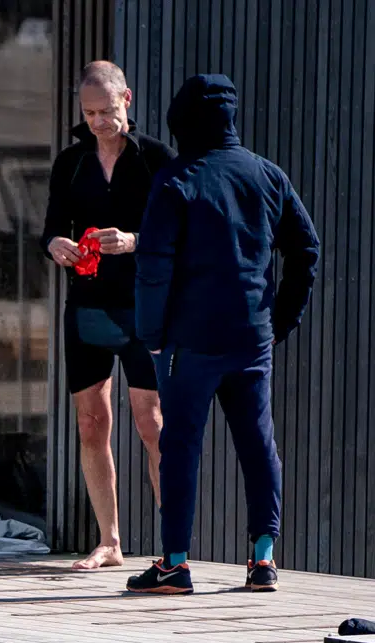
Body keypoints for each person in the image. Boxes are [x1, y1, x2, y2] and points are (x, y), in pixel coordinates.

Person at [128, 74, 319, 595]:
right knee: (258, 444)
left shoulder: (175, 180)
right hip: (252, 338)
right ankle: (262, 561)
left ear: (182, 120)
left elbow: (152, 268)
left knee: (181, 446)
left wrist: (151, 335)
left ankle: (174, 565)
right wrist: (280, 321)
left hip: (188, 343)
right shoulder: (266, 175)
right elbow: (307, 250)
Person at [42, 60, 175, 570]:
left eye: (106, 110)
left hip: (144, 309)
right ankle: (110, 542)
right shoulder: (71, 163)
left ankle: (173, 545)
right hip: (89, 307)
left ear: (128, 99)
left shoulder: (157, 160)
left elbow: (178, 235)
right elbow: (51, 227)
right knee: (92, 422)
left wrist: (134, 241)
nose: (98, 120)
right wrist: (56, 244)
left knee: (152, 423)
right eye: (89, 112)